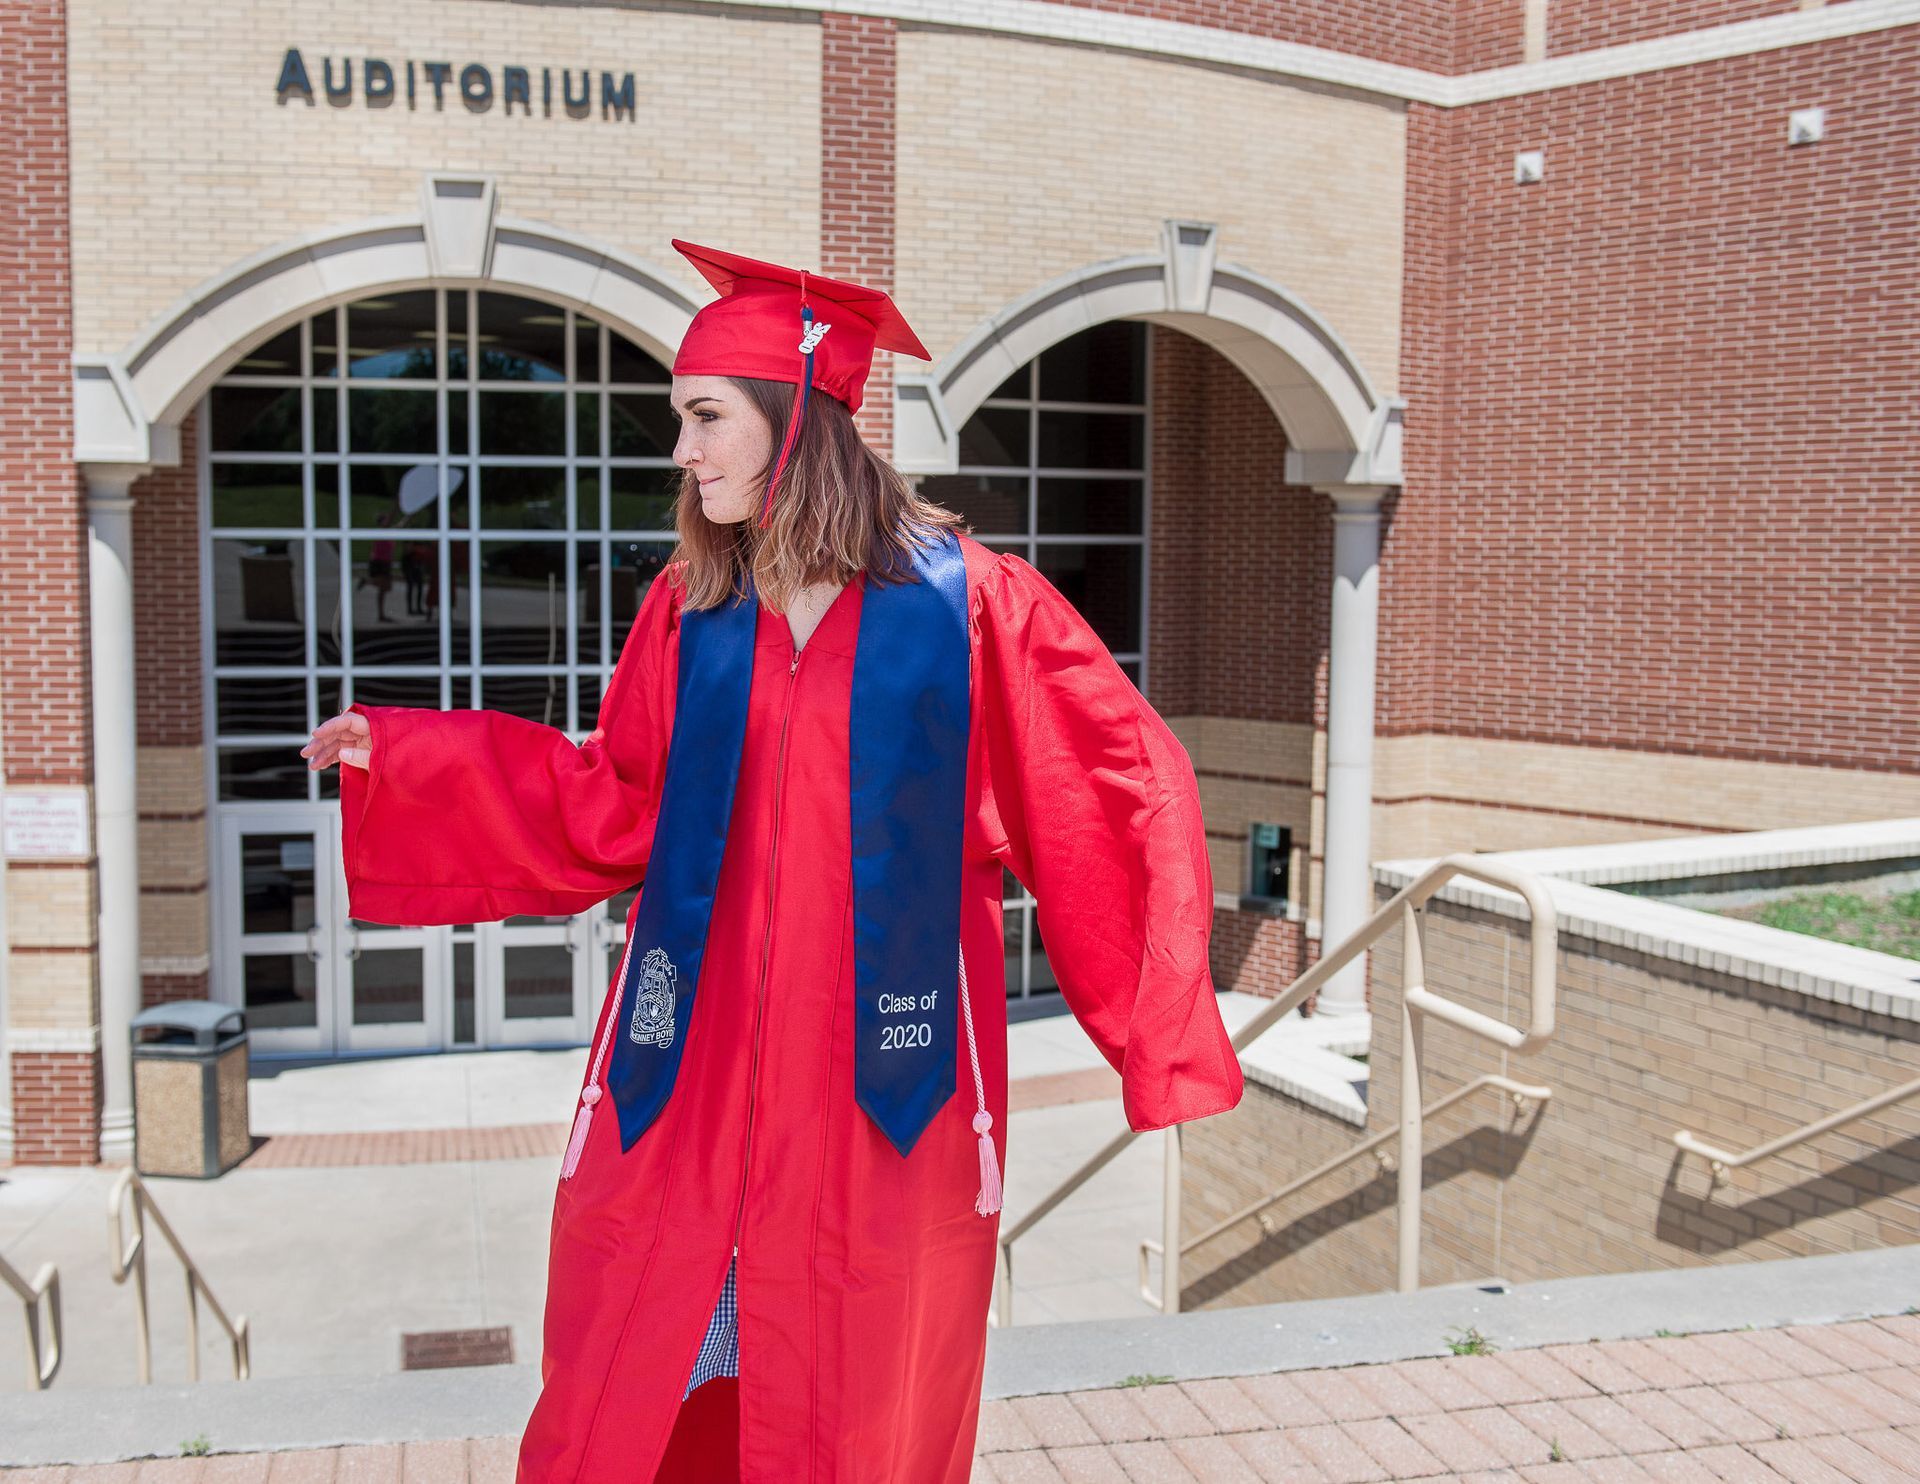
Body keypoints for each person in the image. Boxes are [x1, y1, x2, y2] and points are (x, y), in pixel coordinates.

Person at [302, 240, 1244, 1484]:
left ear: (795, 418)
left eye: (705, 417)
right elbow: (612, 797)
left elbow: (1108, 784)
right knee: (643, 1369)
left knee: (858, 1390)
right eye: (682, 421)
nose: (682, 452)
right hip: (687, 1081)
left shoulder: (971, 606)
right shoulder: (690, 609)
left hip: (879, 1094)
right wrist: (408, 756)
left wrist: (1158, 1034)